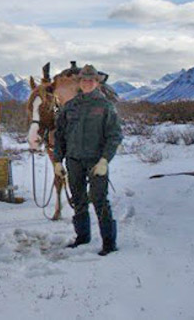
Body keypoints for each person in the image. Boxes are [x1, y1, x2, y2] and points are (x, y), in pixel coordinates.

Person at [53, 64, 123, 256]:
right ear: (80, 82)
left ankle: (109, 243)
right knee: (78, 199)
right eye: (84, 80)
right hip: (74, 160)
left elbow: (115, 136)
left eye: (91, 80)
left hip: (95, 161)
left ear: (96, 83)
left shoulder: (105, 107)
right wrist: (58, 160)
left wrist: (105, 160)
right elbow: (60, 135)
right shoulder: (70, 107)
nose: (87, 83)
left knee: (99, 200)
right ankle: (82, 237)